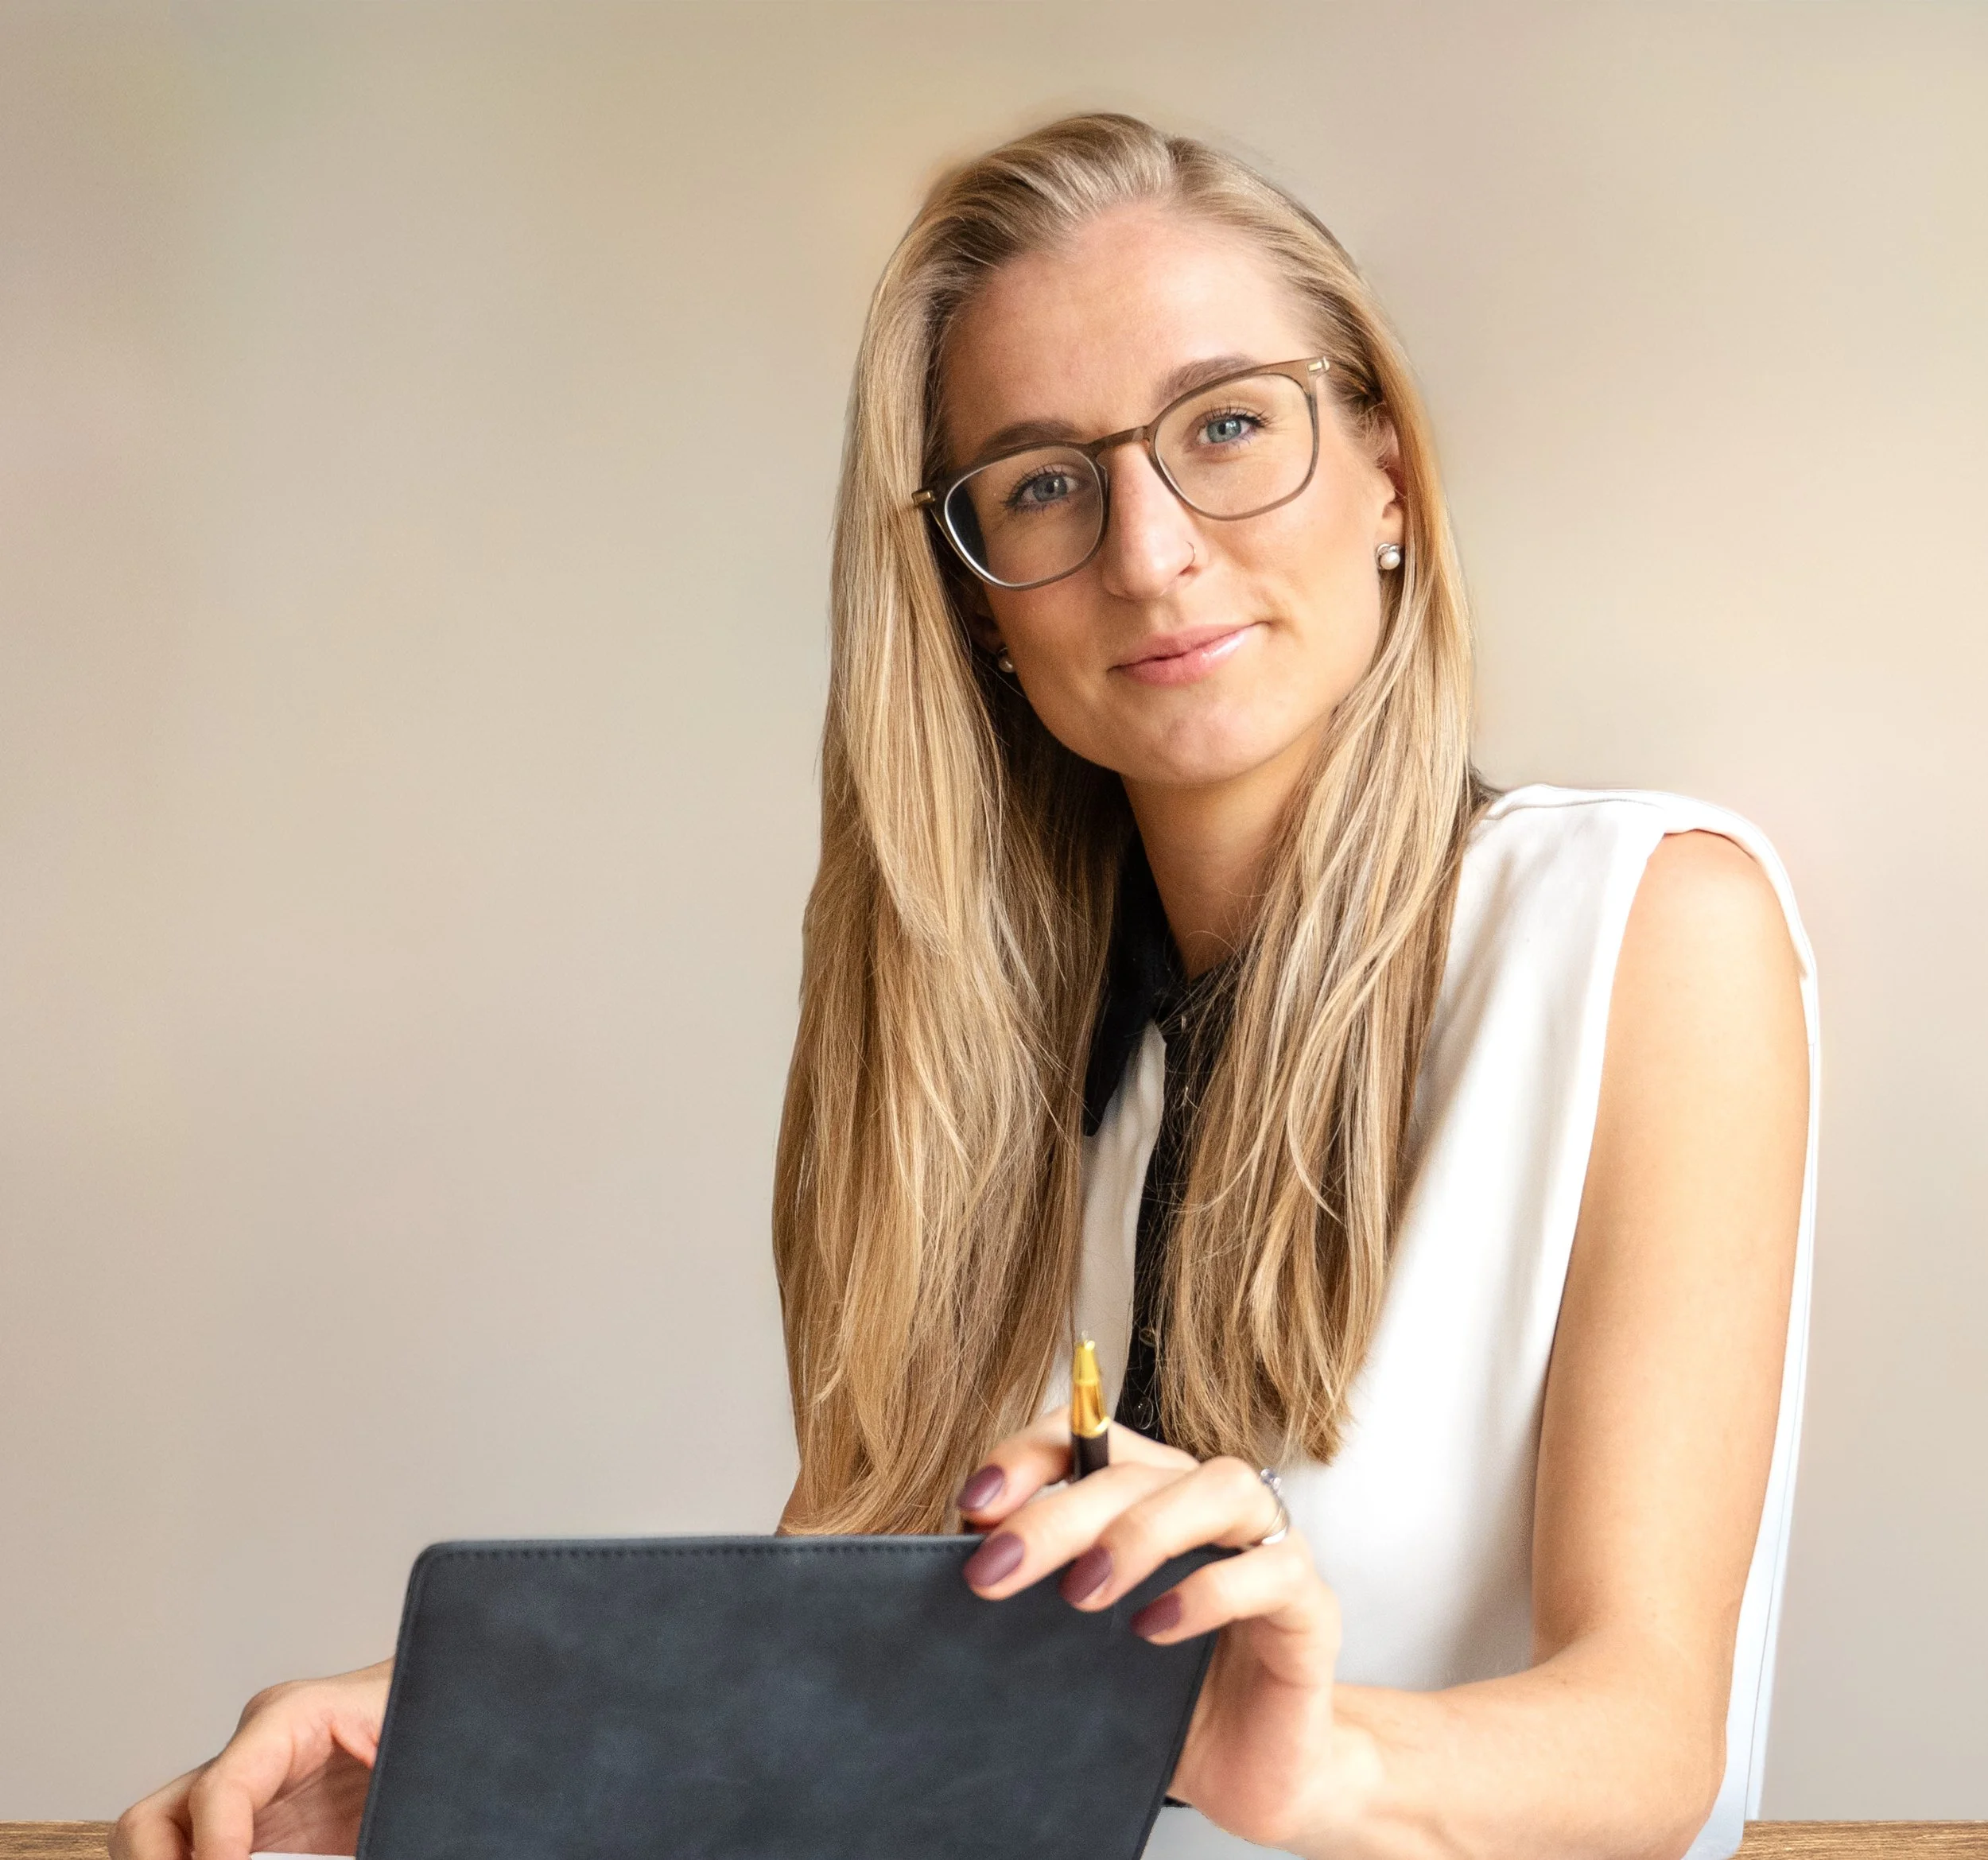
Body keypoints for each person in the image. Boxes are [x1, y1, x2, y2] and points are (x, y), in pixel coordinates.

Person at [113, 113, 1815, 1860]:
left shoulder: (1643, 919)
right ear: (980, 603)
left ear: (1386, 467)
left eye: (1226, 423)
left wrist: (1309, 1767)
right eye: (1041, 481)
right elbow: (850, 1718)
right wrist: (496, 1737)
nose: (1147, 549)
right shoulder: (963, 1055)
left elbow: (1649, 1736)